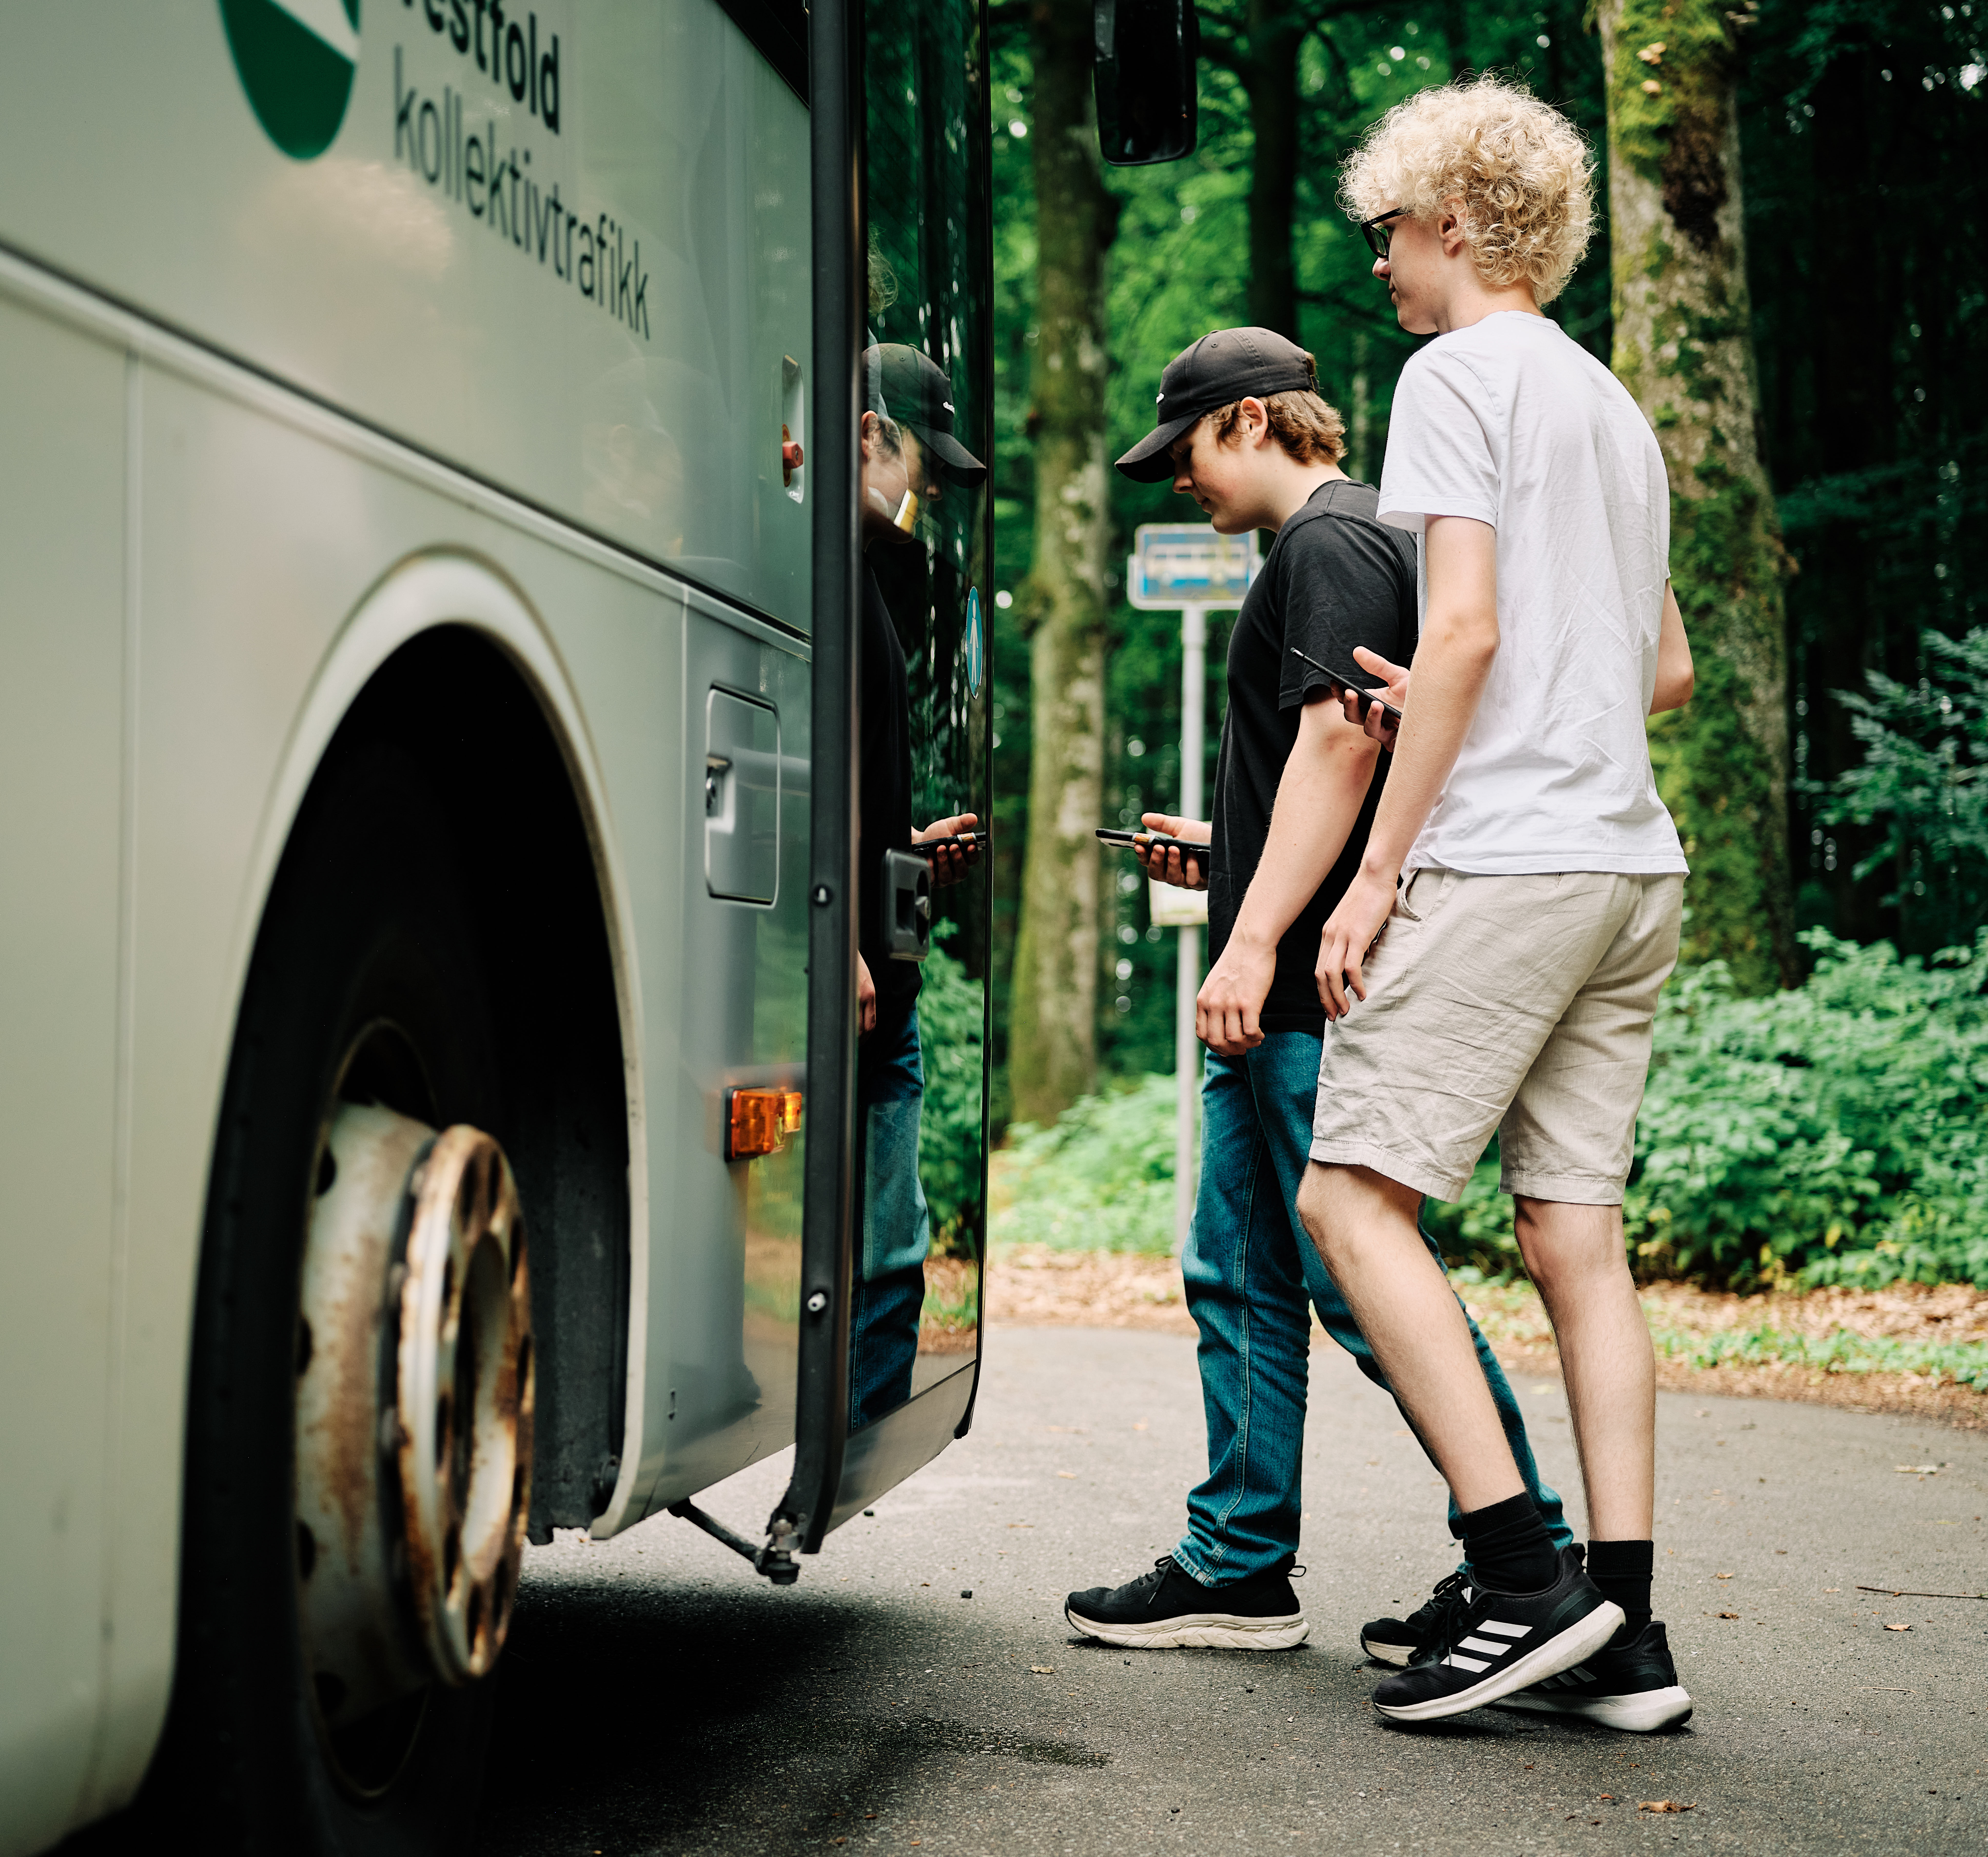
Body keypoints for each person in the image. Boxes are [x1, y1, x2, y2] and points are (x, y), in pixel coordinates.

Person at [1063, 326, 1570, 1656]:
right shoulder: (1351, 541)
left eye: (1181, 453)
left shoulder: (1332, 541)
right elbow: (1328, 768)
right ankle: (1236, 1564)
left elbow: (1342, 744)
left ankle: (1533, 1554)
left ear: (1244, 423)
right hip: (1282, 979)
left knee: (1357, 1280)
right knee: (1236, 1275)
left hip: (1303, 995)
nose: (1177, 480)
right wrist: (1225, 857)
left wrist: (1246, 942)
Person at [1294, 76, 1697, 1730]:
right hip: (1627, 864)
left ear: (1452, 220)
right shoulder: (1609, 403)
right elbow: (1657, 669)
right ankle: (1625, 1631)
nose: (1380, 264)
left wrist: (1375, 869)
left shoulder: (1452, 372)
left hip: (1511, 858)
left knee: (1346, 1201)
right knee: (1571, 1238)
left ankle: (1518, 1579)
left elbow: (1456, 632)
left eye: (1387, 231)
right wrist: (1505, 697)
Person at [848, 343, 985, 1428]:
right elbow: (799, 764)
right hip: (849, 962)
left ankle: (861, 1428)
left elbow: (855, 779)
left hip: (881, 958)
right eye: (916, 460)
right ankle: (850, 1424)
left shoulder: (874, 581)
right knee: (876, 1237)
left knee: (892, 1236)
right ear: (865, 436)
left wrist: (903, 837)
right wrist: (835, 938)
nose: (926, 488)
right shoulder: (814, 580)